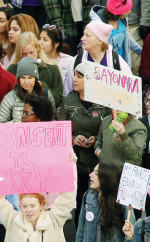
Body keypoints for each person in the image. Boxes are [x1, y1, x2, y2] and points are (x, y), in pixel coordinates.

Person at [0, 153, 77, 242]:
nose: (28, 210)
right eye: (24, 206)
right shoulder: (12, 220)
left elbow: (67, 196)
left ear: (41, 205)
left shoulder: (54, 220)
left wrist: (68, 165)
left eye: (33, 206)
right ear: (20, 206)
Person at [58, 62, 109, 204]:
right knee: (79, 198)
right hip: (76, 160)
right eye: (74, 76)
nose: (74, 79)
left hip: (99, 159)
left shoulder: (105, 101)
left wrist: (98, 138)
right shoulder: (68, 101)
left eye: (80, 77)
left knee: (101, 198)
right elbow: (60, 130)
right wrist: (73, 138)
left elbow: (112, 128)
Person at [76, 162, 126, 242]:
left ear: (107, 178)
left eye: (96, 173)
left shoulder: (121, 202)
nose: (90, 175)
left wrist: (130, 236)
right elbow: (81, 228)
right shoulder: (88, 196)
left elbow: (130, 234)